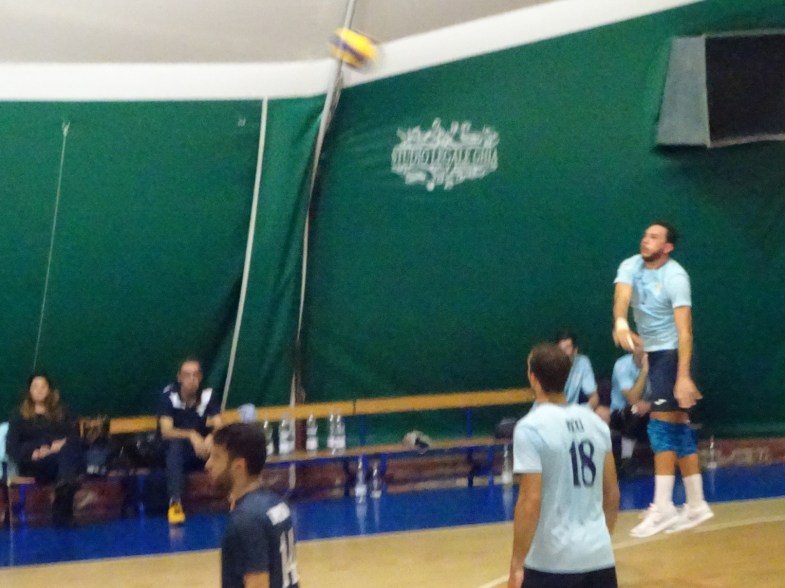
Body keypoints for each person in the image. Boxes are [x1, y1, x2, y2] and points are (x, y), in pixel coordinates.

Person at [613, 221, 713, 537]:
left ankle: (664, 507)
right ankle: (696, 505)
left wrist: (683, 376)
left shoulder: (675, 277)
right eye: (645, 235)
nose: (646, 240)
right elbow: (622, 295)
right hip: (656, 354)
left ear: (667, 247)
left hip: (673, 353)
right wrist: (620, 322)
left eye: (654, 237)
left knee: (661, 427)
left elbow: (685, 332)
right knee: (678, 428)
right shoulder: (631, 265)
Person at [507, 343, 619, 588]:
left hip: (551, 563)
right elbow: (612, 494)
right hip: (599, 558)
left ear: (532, 377)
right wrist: (599, 542)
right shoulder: (596, 423)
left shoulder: (530, 428)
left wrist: (517, 563)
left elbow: (530, 501)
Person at [206, 423, 300, 588]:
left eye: (216, 457)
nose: (208, 464)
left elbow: (258, 584)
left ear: (239, 466)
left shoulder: (246, 519)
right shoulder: (277, 503)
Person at [7, 373, 83, 526]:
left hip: (61, 459)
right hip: (36, 463)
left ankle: (64, 489)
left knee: (69, 451)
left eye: (43, 386)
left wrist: (62, 444)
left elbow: (75, 437)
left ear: (49, 390)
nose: (39, 390)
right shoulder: (19, 416)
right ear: (29, 391)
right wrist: (34, 452)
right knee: (67, 464)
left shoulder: (62, 412)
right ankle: (64, 498)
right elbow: (12, 447)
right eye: (35, 386)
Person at [158, 357, 223, 524]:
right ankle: (175, 503)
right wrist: (192, 435)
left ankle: (234, 497)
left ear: (200, 377)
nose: (191, 379)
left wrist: (212, 437)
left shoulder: (208, 395)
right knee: (175, 448)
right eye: (187, 375)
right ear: (179, 377)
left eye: (195, 375)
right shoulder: (169, 396)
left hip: (202, 451)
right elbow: (166, 431)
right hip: (177, 454)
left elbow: (219, 426)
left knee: (226, 444)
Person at [609, 350, 651, 477]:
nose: (644, 349)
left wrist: (649, 406)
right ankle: (626, 460)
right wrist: (644, 370)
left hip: (649, 409)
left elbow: (664, 395)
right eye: (639, 345)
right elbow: (632, 398)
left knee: (667, 410)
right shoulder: (622, 364)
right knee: (634, 411)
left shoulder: (658, 363)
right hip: (621, 413)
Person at [556, 330, 609, 423]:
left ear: (575, 350)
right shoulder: (549, 365)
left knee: (603, 413)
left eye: (567, 348)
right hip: (553, 413)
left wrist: (582, 412)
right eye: (560, 349)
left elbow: (593, 397)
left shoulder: (582, 362)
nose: (563, 353)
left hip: (574, 413)